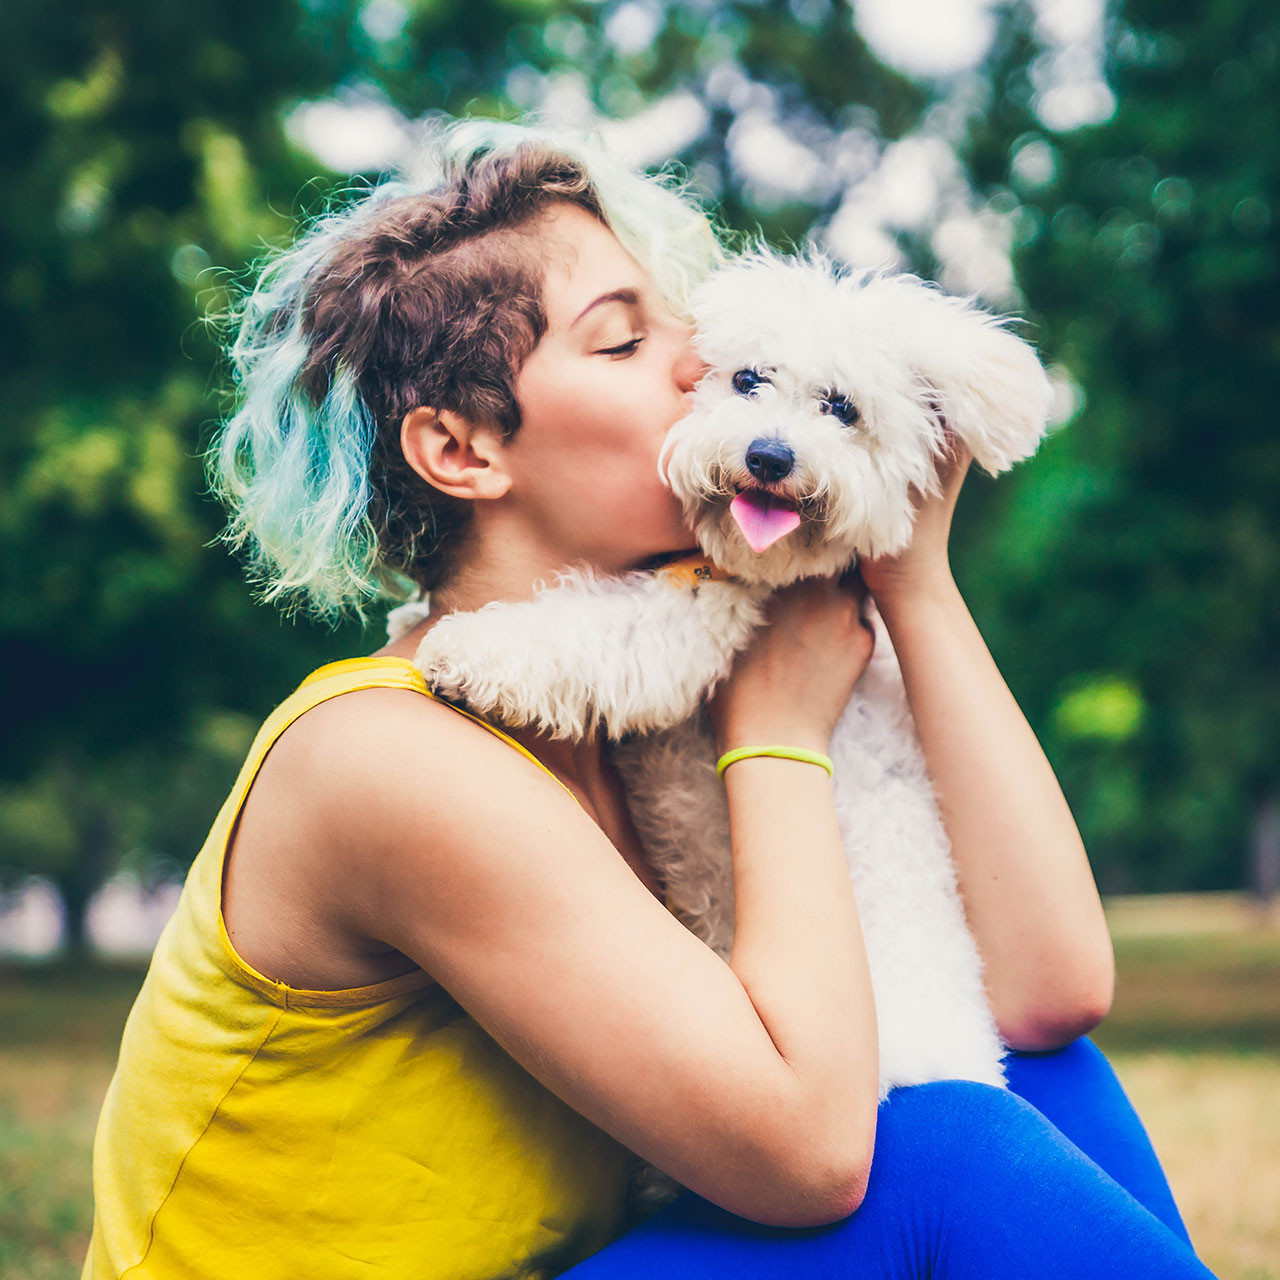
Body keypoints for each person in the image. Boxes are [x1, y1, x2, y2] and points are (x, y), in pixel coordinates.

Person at [81, 116, 1215, 1279]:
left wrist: (911, 583)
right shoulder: (386, 753)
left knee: (1041, 1074)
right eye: (622, 340)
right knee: (940, 1144)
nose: (692, 364)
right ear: (461, 449)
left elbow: (1049, 993)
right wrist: (775, 731)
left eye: (684, 325)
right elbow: (813, 1155)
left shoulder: (658, 690)